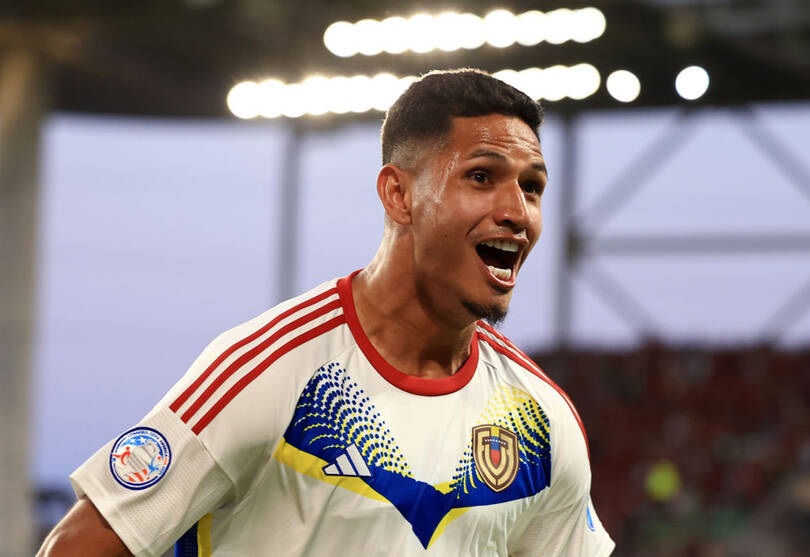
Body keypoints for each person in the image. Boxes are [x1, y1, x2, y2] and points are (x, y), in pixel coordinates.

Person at [38, 68, 615, 556]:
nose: (517, 211)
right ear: (399, 195)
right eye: (482, 178)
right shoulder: (269, 369)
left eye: (532, 187)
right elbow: (75, 547)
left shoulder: (540, 420)